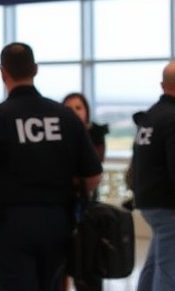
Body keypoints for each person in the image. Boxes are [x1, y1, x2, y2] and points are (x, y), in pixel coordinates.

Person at [0, 42, 102, 291]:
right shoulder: (65, 117)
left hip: (10, 224)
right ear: (35, 69)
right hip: (58, 221)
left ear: (2, 73)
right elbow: (93, 176)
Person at [133, 60, 175, 291]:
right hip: (168, 205)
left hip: (148, 200)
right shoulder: (172, 117)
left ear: (162, 85)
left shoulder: (150, 116)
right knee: (169, 272)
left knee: (154, 264)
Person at [61, 92, 109, 291]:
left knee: (87, 259)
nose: (74, 112)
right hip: (61, 206)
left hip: (87, 207)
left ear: (86, 111)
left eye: (78, 108)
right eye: (69, 108)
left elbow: (93, 168)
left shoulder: (94, 134)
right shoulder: (56, 135)